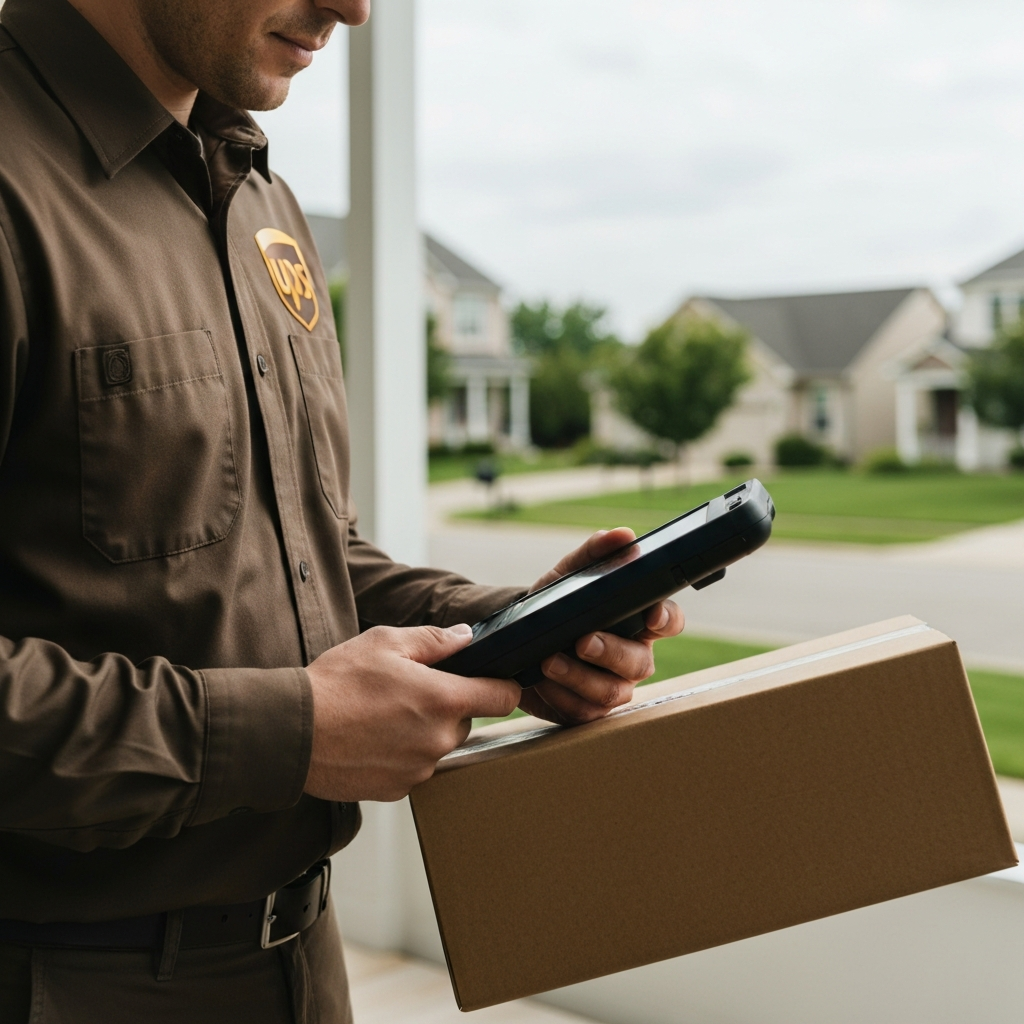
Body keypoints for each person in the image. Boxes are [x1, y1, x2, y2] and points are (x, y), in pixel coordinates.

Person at [0, 0, 685, 1021]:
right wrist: (292, 732)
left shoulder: (256, 195)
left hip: (299, 967)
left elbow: (299, 549)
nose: (354, 9)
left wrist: (508, 628)